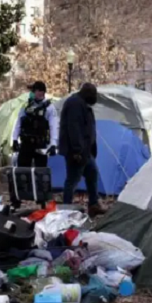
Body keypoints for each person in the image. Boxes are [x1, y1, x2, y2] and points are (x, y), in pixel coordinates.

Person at [59, 83, 106, 217]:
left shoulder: (82, 104)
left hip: (85, 151)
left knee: (92, 173)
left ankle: (93, 204)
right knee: (72, 179)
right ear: (88, 94)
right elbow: (74, 128)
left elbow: (87, 128)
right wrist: (77, 150)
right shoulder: (75, 104)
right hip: (77, 152)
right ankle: (66, 209)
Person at [12, 81, 58, 167]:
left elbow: (53, 127)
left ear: (41, 92)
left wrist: (53, 144)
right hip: (26, 143)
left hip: (40, 144)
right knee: (22, 169)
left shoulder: (49, 108)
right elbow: (19, 123)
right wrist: (15, 139)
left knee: (40, 170)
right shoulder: (26, 106)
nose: (31, 93)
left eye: (34, 91)